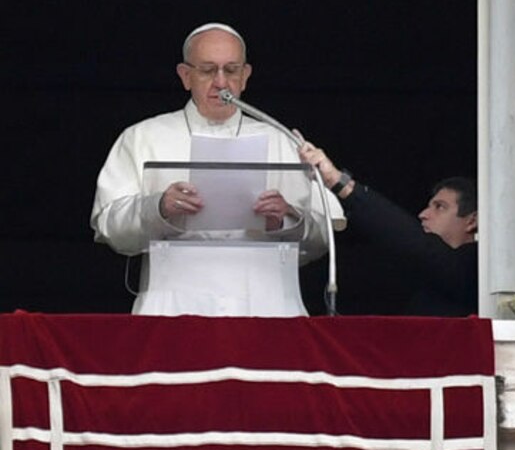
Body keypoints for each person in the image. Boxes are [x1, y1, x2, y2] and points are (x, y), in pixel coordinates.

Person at [90, 23, 341, 316]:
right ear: (186, 76)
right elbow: (109, 227)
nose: (221, 82)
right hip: (172, 306)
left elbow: (327, 232)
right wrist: (157, 207)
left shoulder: (281, 139)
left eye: (231, 70)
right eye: (208, 71)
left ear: (245, 76)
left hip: (267, 305)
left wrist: (285, 219)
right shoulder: (142, 137)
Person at [298, 141, 478, 317]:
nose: (423, 214)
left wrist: (339, 182)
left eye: (440, 207)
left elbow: (418, 245)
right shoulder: (413, 277)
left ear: (472, 221)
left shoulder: (479, 271)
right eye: (428, 206)